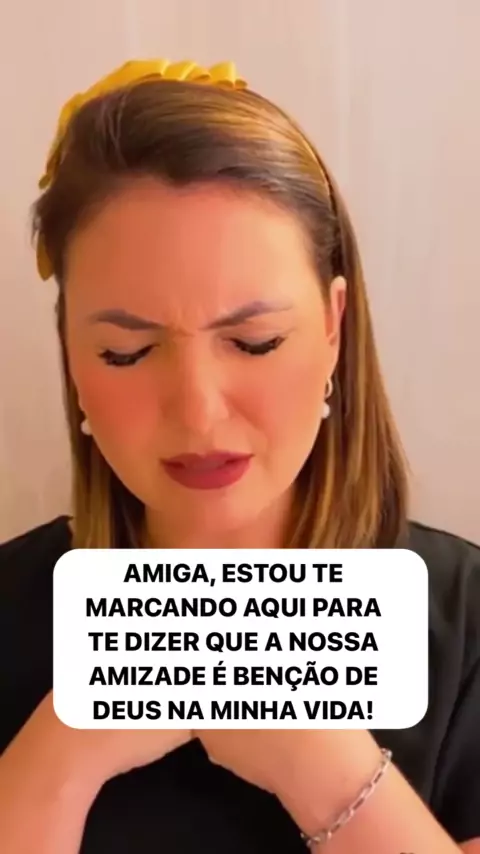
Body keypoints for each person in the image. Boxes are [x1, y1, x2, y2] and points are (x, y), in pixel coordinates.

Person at [0, 57, 479, 854]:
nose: (198, 412)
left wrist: (331, 776)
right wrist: (54, 767)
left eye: (255, 342)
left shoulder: (463, 629)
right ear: (71, 359)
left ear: (333, 327)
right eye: (125, 352)